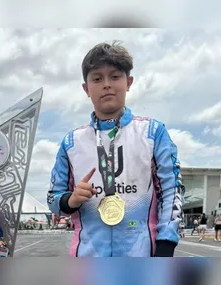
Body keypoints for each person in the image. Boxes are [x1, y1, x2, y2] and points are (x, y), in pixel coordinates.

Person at [47, 41, 185, 257]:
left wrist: (166, 245)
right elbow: (53, 199)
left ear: (128, 82)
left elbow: (171, 190)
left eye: (114, 76)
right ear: (86, 88)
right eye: (97, 78)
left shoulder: (153, 133)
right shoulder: (71, 142)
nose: (106, 84)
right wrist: (70, 200)